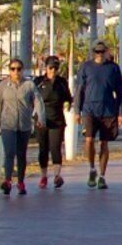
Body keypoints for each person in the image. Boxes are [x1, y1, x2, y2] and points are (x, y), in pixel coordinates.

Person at [75, 44, 122, 190]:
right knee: (89, 140)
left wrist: (120, 112)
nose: (99, 54)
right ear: (93, 53)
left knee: (104, 143)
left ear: (106, 52)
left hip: (108, 111)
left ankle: (102, 176)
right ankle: (92, 169)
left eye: (102, 51)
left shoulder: (113, 68)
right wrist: (76, 111)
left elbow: (120, 92)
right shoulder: (86, 67)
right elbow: (79, 89)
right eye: (96, 51)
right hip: (89, 109)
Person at [0, 57, 40, 196]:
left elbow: (37, 102)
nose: (16, 71)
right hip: (8, 125)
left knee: (21, 155)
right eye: (13, 69)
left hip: (24, 126)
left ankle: (21, 182)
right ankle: (8, 181)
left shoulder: (29, 85)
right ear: (9, 71)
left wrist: (39, 118)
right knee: (10, 153)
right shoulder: (3, 85)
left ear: (22, 70)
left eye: (18, 69)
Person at [32, 56, 73, 189]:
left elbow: (68, 98)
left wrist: (68, 105)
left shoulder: (62, 82)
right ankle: (44, 176)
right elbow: (31, 99)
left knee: (55, 148)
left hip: (57, 120)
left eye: (55, 68)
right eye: (51, 68)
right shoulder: (38, 81)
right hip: (41, 120)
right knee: (43, 149)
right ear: (46, 68)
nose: (53, 71)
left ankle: (57, 176)